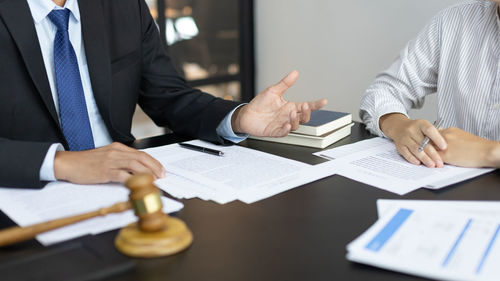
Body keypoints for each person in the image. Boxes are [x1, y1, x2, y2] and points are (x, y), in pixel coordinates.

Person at [0, 0, 327, 188]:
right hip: (27, 192)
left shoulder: (123, 6)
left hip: (126, 188)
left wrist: (237, 117)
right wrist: (61, 165)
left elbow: (168, 95)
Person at [360, 0, 500, 169]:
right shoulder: (452, 21)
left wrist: (488, 152)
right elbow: (385, 90)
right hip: (445, 183)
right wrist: (399, 126)